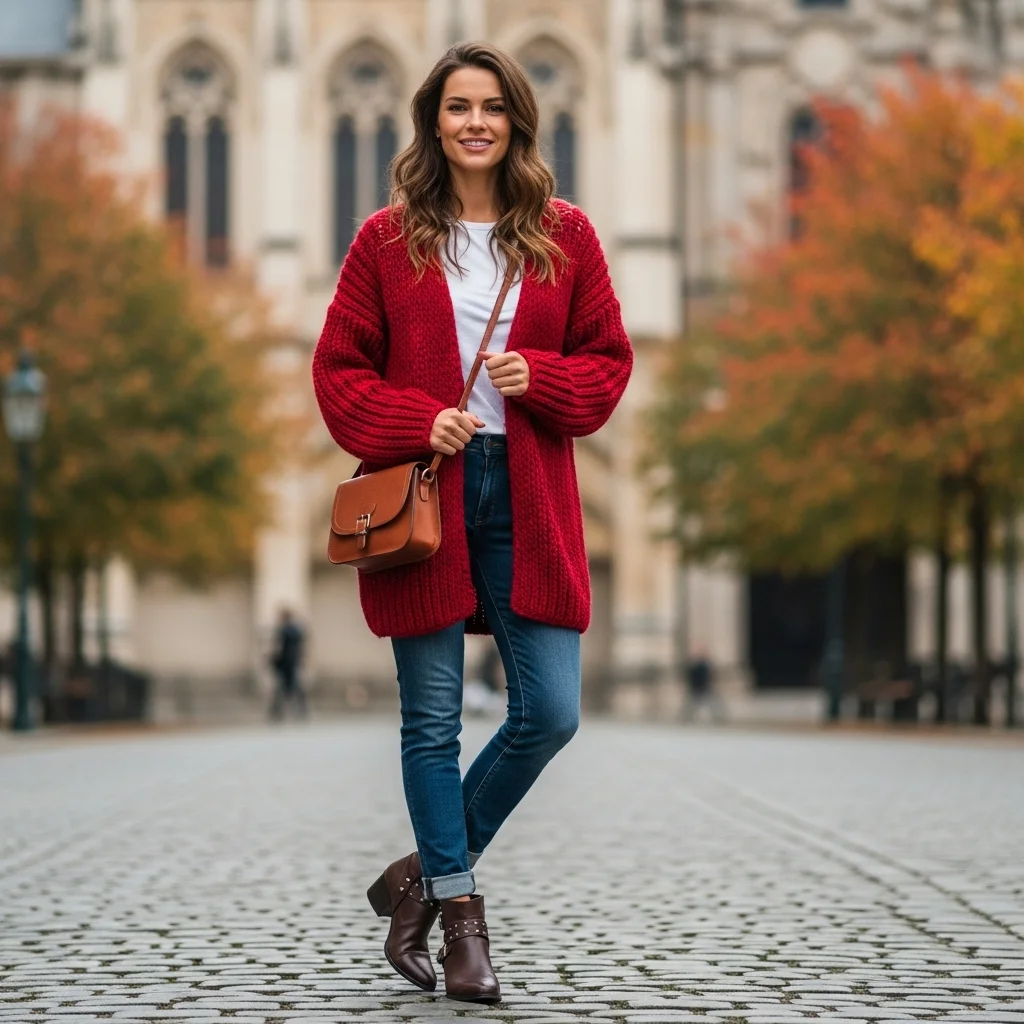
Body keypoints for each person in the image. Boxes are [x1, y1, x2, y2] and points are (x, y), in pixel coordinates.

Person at [312, 42, 633, 1004]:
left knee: (551, 711)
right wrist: (420, 419)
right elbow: (338, 374)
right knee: (432, 722)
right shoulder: (386, 240)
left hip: (529, 493)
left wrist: (544, 378)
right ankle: (460, 923)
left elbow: (608, 364)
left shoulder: (566, 236)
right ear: (433, 122)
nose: (476, 122)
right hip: (428, 495)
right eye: (458, 107)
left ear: (517, 120)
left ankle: (416, 880)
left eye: (492, 106)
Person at [267, 608, 307, 720]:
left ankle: (278, 711)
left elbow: (278, 648)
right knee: (294, 687)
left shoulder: (285, 630)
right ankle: (299, 710)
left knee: (283, 687)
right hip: (292, 662)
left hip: (286, 663)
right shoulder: (296, 630)